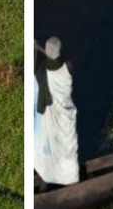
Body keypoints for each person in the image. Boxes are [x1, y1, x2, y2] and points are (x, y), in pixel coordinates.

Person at [33, 36, 79, 186]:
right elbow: (54, 60)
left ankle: (49, 178)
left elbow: (37, 74)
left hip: (49, 115)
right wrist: (40, 49)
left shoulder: (41, 73)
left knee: (51, 145)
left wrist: (37, 48)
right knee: (67, 148)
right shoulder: (68, 66)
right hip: (65, 114)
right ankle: (70, 179)